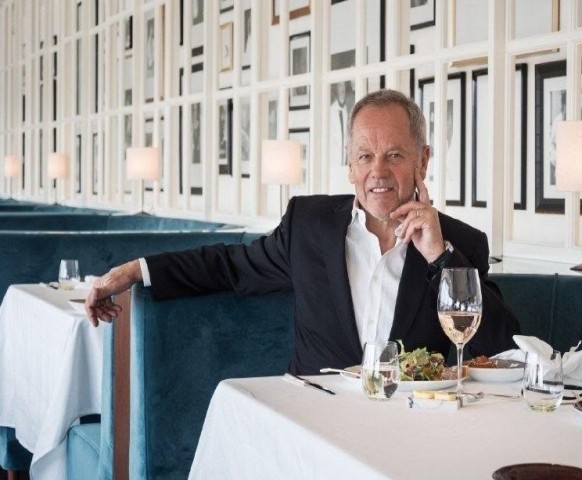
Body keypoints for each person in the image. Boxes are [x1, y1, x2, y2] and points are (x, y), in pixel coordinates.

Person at [86, 89, 519, 375]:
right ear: (349, 164)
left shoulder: (461, 244)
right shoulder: (308, 225)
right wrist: (133, 271)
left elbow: (502, 349)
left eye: (394, 155)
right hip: (313, 424)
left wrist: (440, 258)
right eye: (364, 156)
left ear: (422, 161)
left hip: (408, 437)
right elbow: (229, 266)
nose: (378, 171)